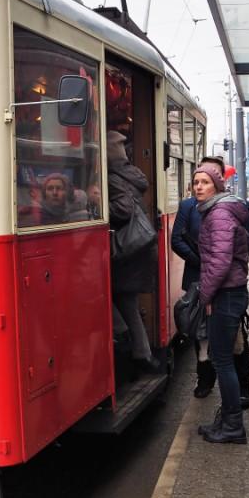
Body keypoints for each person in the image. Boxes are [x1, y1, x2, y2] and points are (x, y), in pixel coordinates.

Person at [172, 156, 249, 406]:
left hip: (225, 283)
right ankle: (205, 380)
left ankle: (242, 387)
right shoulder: (188, 206)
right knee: (200, 334)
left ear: (220, 180)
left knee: (235, 339)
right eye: (197, 180)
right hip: (197, 278)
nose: (200, 185)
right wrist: (203, 261)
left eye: (208, 178)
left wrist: (230, 257)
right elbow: (177, 239)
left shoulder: (234, 205)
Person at [191, 162, 249, 444]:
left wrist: (206, 295)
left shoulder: (218, 215)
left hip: (225, 294)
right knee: (222, 359)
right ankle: (227, 419)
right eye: (196, 182)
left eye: (204, 182)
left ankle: (233, 425)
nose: (198, 187)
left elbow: (220, 261)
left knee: (223, 361)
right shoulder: (218, 211)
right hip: (229, 292)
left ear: (216, 185)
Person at [107, 131, 159, 374]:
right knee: (128, 302)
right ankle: (141, 353)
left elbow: (123, 208)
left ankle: (133, 347)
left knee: (119, 300)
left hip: (126, 251)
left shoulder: (112, 177)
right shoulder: (130, 173)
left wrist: (97, 205)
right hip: (137, 249)